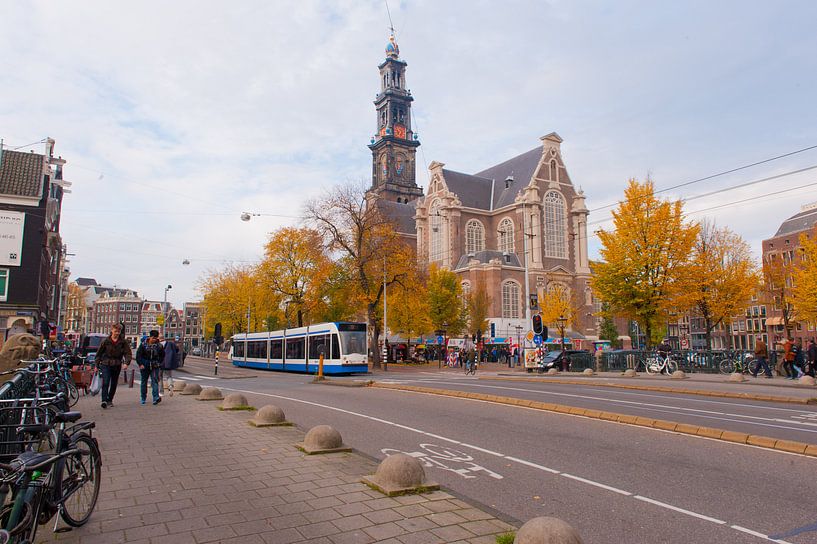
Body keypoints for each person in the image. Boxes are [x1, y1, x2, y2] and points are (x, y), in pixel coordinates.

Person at [95, 323, 132, 408]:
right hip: (106, 363)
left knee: (114, 383)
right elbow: (99, 354)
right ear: (112, 330)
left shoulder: (123, 342)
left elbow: (128, 353)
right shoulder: (105, 341)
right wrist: (96, 365)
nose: (117, 333)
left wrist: (126, 363)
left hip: (117, 364)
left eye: (119, 331)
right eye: (115, 331)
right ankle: (104, 400)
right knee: (106, 381)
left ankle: (110, 400)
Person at [136, 330, 165, 405]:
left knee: (155, 381)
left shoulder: (159, 346)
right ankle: (143, 397)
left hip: (155, 365)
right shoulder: (143, 345)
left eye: (156, 338)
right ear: (150, 337)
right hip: (145, 365)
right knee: (144, 382)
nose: (154, 340)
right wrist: (140, 364)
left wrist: (159, 362)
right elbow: (138, 356)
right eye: (153, 338)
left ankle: (155, 398)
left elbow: (162, 355)